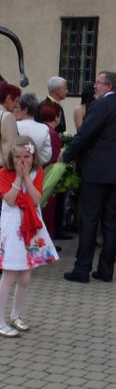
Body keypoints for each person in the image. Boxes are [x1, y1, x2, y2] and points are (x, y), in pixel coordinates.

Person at [61, 71, 116, 283]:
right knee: (110, 221)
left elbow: (85, 133)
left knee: (89, 220)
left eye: (99, 83)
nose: (95, 86)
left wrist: (66, 155)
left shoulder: (101, 105)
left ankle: (82, 269)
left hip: (96, 173)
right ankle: (106, 270)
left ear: (109, 86)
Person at [0, 136, 58, 337]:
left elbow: (36, 199)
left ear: (33, 157)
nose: (22, 161)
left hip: (32, 227)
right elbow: (10, 199)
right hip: (12, 227)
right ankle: (0, 320)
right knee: (9, 275)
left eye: (26, 156)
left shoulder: (37, 172)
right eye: (17, 157)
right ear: (11, 157)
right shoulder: (3, 173)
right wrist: (18, 177)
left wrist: (26, 177)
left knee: (25, 277)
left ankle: (16, 315)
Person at [38, 102, 63, 240]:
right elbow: (54, 157)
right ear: (56, 117)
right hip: (49, 175)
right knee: (48, 209)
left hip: (41, 173)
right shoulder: (52, 134)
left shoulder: (41, 130)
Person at [13, 92, 52, 165]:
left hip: (15, 166)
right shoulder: (44, 128)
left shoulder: (14, 125)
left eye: (16, 107)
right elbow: (47, 155)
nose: (14, 110)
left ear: (25, 110)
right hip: (36, 167)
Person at [0, 83, 21, 168]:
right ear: (8, 98)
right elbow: (10, 148)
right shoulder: (7, 116)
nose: (17, 105)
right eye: (16, 101)